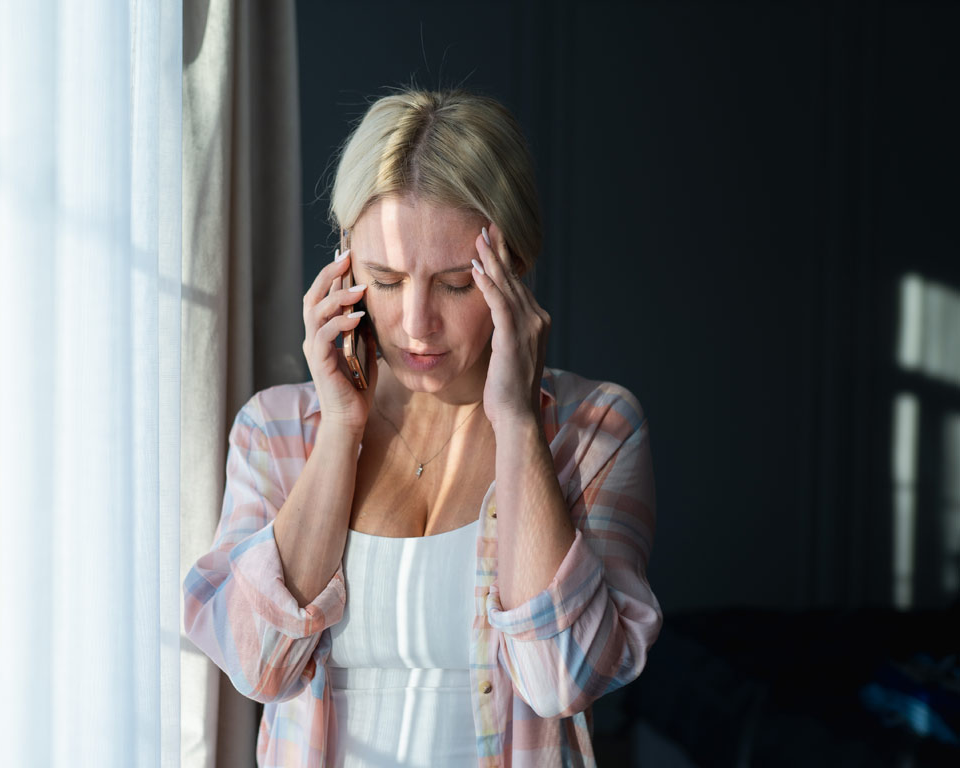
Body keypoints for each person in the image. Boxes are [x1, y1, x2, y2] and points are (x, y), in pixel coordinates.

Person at [183, 88, 661, 768]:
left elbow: (564, 680)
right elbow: (260, 667)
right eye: (385, 277)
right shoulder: (276, 430)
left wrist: (520, 424)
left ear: (515, 268)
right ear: (345, 265)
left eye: (457, 284)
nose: (416, 323)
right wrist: (341, 430)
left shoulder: (596, 432)